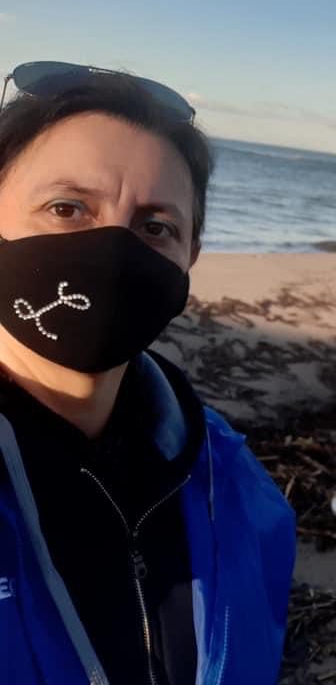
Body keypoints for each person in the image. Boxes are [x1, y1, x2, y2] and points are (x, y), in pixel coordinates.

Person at [0, 62, 295, 684]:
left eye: (155, 227)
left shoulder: (235, 488)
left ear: (189, 259)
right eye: (66, 207)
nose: (112, 250)